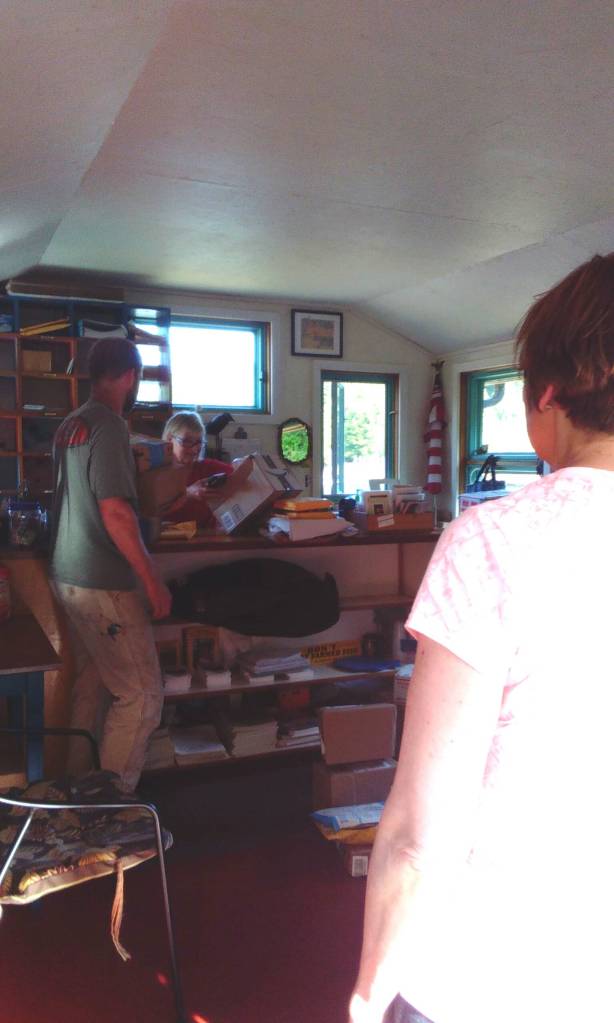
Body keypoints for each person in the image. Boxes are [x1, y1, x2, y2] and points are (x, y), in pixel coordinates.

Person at [349, 252, 614, 1023]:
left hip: (494, 975)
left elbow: (418, 832)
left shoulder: (492, 540)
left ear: (547, 395)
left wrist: (369, 993)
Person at [49, 337, 171, 792]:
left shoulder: (71, 424)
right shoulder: (110, 425)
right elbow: (116, 511)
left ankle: (75, 792)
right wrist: (152, 581)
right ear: (131, 376)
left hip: (66, 573)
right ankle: (109, 808)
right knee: (142, 697)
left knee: (94, 682)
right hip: (103, 580)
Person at [162, 411, 233, 529]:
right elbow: (150, 510)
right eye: (187, 441)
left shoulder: (207, 468)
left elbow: (243, 473)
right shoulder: (153, 472)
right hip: (164, 538)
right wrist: (188, 494)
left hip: (205, 538)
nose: (195, 449)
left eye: (199, 443)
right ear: (170, 439)